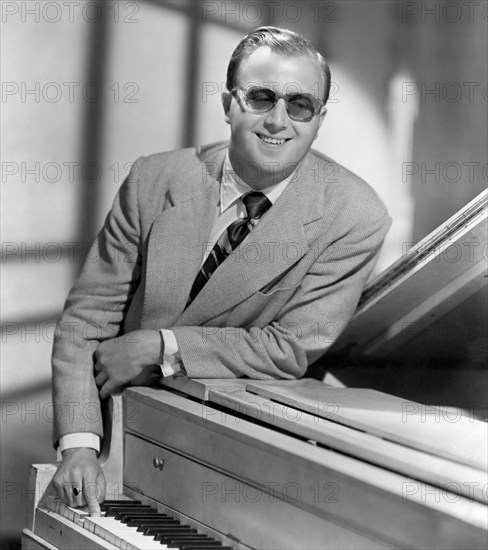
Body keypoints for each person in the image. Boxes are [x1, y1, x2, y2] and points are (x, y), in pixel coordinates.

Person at [51, 26, 391, 515]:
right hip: (121, 438)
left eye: (300, 105)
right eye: (261, 98)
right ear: (230, 103)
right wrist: (79, 445)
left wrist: (163, 346)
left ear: (318, 119)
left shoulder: (356, 215)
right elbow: (87, 323)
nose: (278, 121)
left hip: (241, 453)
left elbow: (290, 346)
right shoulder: (154, 178)